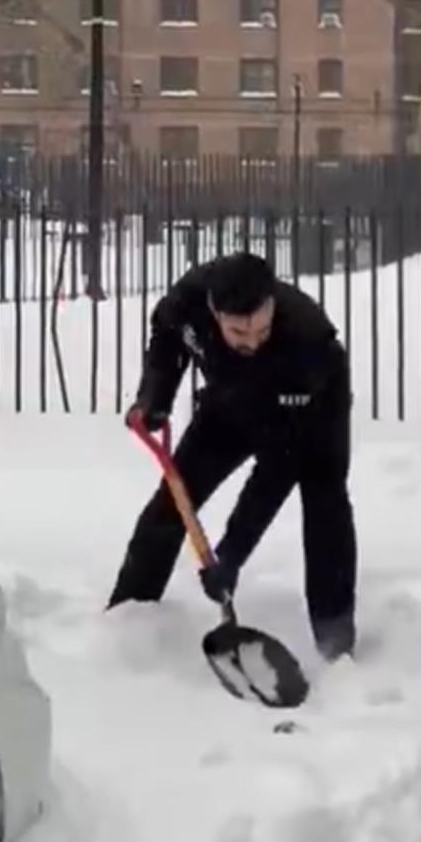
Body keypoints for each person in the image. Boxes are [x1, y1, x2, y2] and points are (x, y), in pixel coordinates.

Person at [107, 251, 358, 662]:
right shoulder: (189, 300)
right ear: (213, 312)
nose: (252, 341)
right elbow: (167, 337)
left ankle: (335, 639)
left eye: (261, 329)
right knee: (172, 501)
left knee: (324, 500)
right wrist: (155, 397)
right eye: (239, 332)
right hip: (229, 400)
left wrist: (232, 553)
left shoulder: (305, 342)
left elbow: (278, 469)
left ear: (273, 304)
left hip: (311, 409)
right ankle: (129, 616)